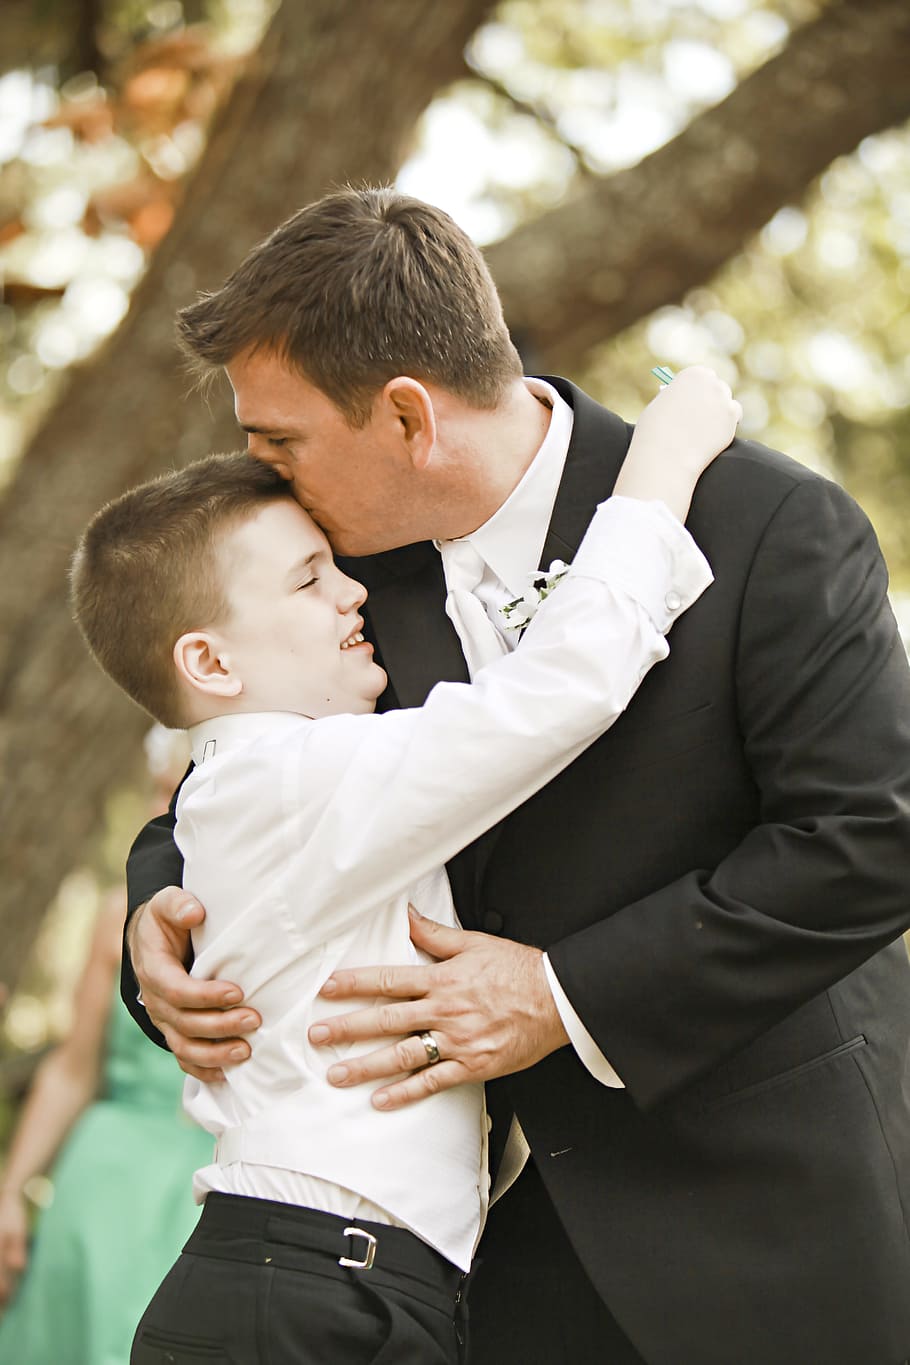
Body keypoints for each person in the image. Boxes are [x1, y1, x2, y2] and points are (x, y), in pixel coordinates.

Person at [123, 189, 910, 1365]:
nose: (261, 472)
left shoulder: (762, 522)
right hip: (451, 1271)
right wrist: (160, 912)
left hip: (759, 1211)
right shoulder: (330, 576)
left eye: (277, 439)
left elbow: (868, 839)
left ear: (404, 416)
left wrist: (563, 997)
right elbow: (236, 768)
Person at [69, 375, 730, 1364]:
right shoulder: (290, 779)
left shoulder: (259, 791)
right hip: (304, 1300)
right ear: (208, 664)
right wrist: (665, 458)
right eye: (306, 580)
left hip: (352, 1289)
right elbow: (560, 687)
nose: (352, 591)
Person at [0, 734, 212, 1365]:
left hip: (213, 1186)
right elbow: (72, 1069)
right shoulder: (120, 916)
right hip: (105, 1185)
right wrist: (11, 1190)